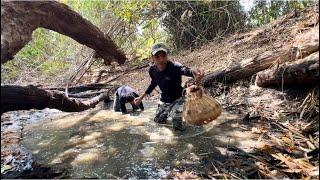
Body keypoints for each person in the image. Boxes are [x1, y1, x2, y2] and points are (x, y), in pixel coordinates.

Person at [134, 43, 204, 131]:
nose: (161, 59)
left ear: (167, 56)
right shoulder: (152, 70)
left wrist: (194, 72)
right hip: (165, 100)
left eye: (163, 55)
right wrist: (141, 97)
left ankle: (185, 115)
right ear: (152, 58)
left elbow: (187, 70)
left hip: (179, 98)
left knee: (176, 124)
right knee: (158, 121)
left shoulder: (175, 67)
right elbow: (153, 84)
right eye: (157, 56)